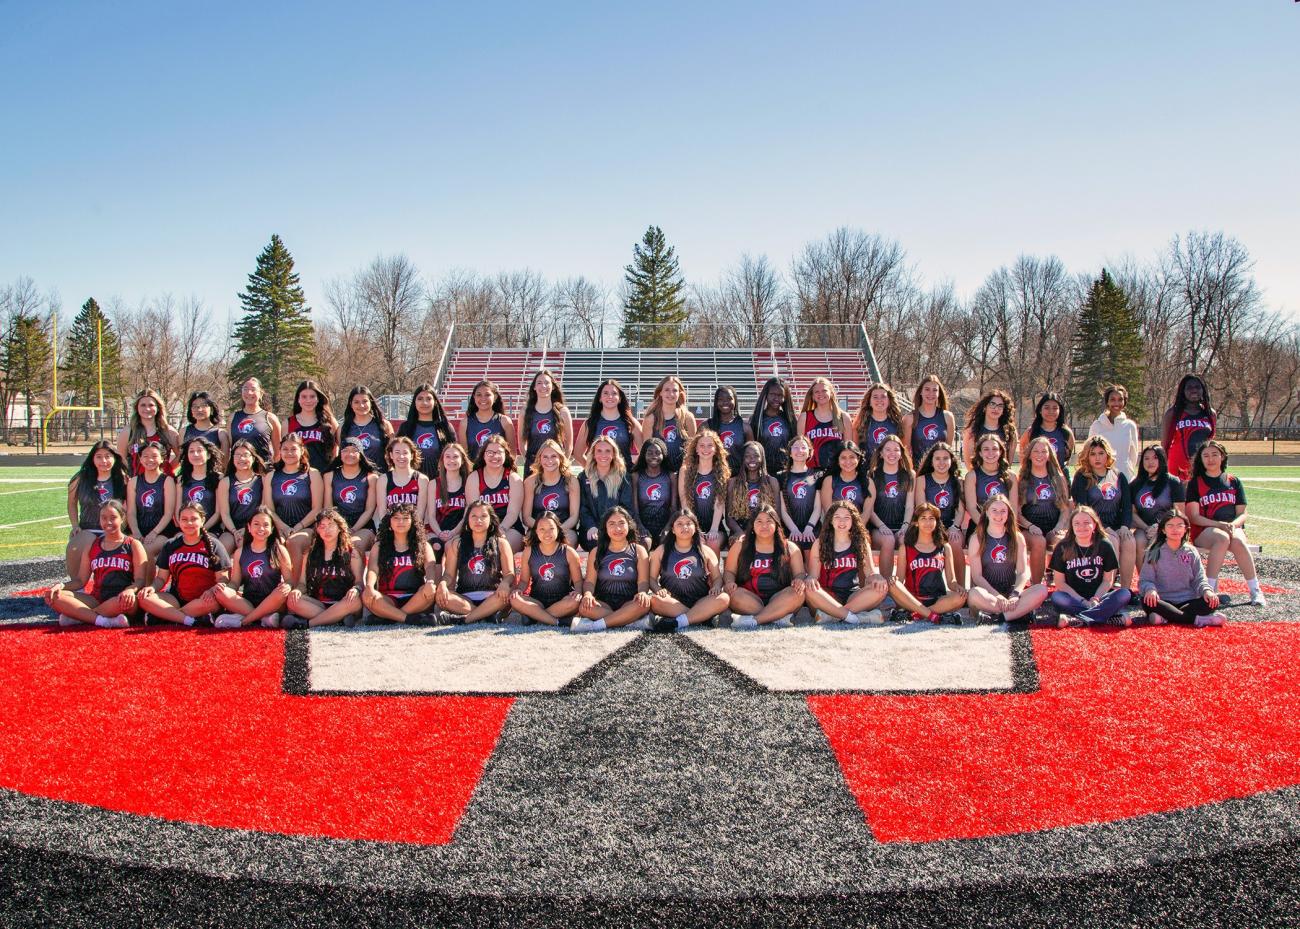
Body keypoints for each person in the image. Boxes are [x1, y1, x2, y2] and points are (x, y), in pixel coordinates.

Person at [1185, 440, 1265, 605]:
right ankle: (1209, 591)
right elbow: (1194, 516)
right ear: (1200, 459)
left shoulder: (1233, 481)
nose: (1210, 459)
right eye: (1206, 455)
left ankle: (1255, 590)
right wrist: (1219, 525)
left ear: (1222, 457)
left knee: (1236, 540)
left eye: (1215, 454)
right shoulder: (1195, 483)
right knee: (1222, 538)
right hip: (1205, 529)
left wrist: (1233, 525)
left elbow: (1242, 513)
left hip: (1231, 527)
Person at [45, 501, 146, 628]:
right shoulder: (92, 545)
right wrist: (60, 586)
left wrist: (130, 590)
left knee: (125, 602)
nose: (108, 522)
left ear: (122, 518)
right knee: (56, 596)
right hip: (96, 598)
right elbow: (80, 581)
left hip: (121, 598)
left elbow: (140, 580)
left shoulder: (132, 544)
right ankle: (103, 621)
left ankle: (81, 616)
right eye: (103, 518)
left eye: (113, 518)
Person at [137, 502, 232, 626]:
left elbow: (223, 579)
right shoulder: (170, 545)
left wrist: (211, 590)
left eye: (194, 519)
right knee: (144, 598)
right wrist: (152, 587)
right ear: (178, 521)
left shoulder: (214, 545)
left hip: (204, 600)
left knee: (215, 602)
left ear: (202, 520)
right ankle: (190, 620)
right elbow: (161, 578)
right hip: (176, 599)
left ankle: (168, 616)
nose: (189, 523)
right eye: (184, 519)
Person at [965, 494, 1049, 624]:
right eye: (994, 510)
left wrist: (1015, 595)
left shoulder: (1017, 537)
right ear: (986, 512)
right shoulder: (977, 538)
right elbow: (977, 577)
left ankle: (998, 618)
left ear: (1008, 514)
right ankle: (1020, 614)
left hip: (1011, 594)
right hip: (987, 595)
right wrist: (997, 596)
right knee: (974, 594)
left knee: (1041, 590)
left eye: (1003, 511)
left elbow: (1022, 572)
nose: (999, 515)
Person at [723, 504, 806, 628]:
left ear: (777, 524)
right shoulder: (740, 546)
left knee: (798, 594)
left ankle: (754, 620)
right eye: (759, 521)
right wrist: (729, 582)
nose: (764, 525)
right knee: (732, 594)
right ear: (752, 525)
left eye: (769, 521)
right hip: (749, 599)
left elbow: (799, 573)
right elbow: (729, 572)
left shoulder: (790, 547)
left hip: (780, 598)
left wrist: (799, 580)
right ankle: (777, 616)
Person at [805, 500, 889, 624]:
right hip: (827, 596)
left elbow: (870, 573)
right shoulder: (820, 543)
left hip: (853, 596)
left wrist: (877, 578)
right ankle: (858, 617)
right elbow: (814, 575)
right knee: (809, 588)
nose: (842, 522)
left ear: (853, 520)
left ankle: (836, 616)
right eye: (837, 517)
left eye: (847, 518)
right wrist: (810, 579)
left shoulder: (861, 542)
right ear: (830, 520)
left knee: (881, 588)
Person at [647, 509, 731, 631]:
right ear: (673, 529)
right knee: (654, 600)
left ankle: (679, 621)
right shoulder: (661, 550)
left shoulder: (705, 551)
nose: (684, 527)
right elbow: (651, 579)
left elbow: (717, 578)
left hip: (700, 600)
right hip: (671, 602)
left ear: (695, 527)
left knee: (724, 598)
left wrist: (716, 587)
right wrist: (658, 590)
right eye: (679, 524)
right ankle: (700, 617)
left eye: (688, 523)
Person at [1139, 511, 1226, 627]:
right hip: (1162, 600)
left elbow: (1199, 578)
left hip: (1188, 601)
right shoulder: (1154, 552)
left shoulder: (1191, 552)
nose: (1175, 529)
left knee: (1212, 601)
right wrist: (1150, 590)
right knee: (1147, 601)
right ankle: (1199, 620)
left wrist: (1207, 591)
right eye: (1170, 526)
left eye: (1180, 526)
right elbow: (1145, 580)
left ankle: (1167, 617)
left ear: (1185, 529)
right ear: (1163, 530)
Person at [1048, 506, 1133, 627]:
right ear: (1071, 526)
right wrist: (1082, 601)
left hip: (1099, 597)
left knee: (1125, 593)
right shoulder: (1063, 546)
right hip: (1073, 598)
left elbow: (1108, 580)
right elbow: (1060, 583)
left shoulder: (1105, 545)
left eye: (1086, 523)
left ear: (1094, 524)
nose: (1081, 527)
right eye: (1076, 523)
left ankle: (1078, 620)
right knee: (1057, 597)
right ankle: (1107, 618)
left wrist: (1095, 599)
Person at [434, 499, 515, 624]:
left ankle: (466, 619)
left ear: (491, 519)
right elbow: (449, 575)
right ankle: (486, 615)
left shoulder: (501, 543)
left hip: (493, 596)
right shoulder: (457, 544)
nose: (478, 520)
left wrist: (505, 583)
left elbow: (510, 574)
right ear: (467, 520)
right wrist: (443, 584)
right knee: (445, 598)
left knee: (507, 595)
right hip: (465, 599)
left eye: (483, 516)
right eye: (474, 516)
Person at [572, 507, 653, 632]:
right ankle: (629, 620)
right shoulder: (596, 552)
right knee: (584, 607)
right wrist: (587, 594)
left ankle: (596, 625)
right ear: (605, 527)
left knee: (643, 604)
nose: (618, 529)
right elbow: (589, 582)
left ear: (629, 525)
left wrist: (642, 592)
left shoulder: (639, 550)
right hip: (603, 604)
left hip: (630, 602)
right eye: (612, 524)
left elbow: (643, 582)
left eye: (622, 523)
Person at [1070, 435, 1136, 591]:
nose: (1097, 458)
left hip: (1116, 524)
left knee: (1129, 541)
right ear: (1087, 456)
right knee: (1111, 540)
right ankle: (1108, 589)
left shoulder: (1119, 476)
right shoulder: (1082, 477)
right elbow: (1082, 508)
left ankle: (1125, 590)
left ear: (1107, 455)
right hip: (1092, 527)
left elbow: (1126, 506)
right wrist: (1101, 527)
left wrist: (1125, 526)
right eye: (1092, 454)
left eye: (1101, 453)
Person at [212, 506, 293, 628]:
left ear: (271, 529)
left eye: (266, 525)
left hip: (272, 601)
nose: (261, 528)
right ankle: (262, 619)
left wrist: (287, 585)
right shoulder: (240, 552)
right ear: (249, 528)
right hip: (247, 602)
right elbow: (235, 582)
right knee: (220, 592)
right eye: (256, 524)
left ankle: (243, 621)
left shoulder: (279, 550)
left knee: (282, 592)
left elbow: (290, 580)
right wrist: (225, 588)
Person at [282, 509, 364, 629]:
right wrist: (297, 590)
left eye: (331, 525)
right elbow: (302, 583)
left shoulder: (351, 553)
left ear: (339, 528)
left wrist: (355, 589)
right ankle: (337, 619)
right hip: (319, 603)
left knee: (355, 601)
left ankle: (308, 624)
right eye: (322, 526)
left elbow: (359, 581)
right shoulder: (310, 554)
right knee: (292, 600)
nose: (327, 530)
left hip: (345, 602)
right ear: (317, 530)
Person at [888, 502, 967, 624]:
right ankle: (932, 615)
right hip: (912, 599)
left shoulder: (945, 547)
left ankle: (918, 614)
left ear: (936, 522)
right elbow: (900, 579)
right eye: (923, 518)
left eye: (931, 518)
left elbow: (951, 582)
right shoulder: (906, 547)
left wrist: (958, 588)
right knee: (892, 585)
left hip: (937, 600)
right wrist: (894, 580)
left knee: (960, 597)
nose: (928, 522)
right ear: (916, 522)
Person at [361, 503, 439, 624]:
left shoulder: (423, 545)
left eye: (405, 518)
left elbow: (430, 565)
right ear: (389, 522)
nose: (400, 522)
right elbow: (372, 569)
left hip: (415, 597)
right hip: (387, 597)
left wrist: (430, 581)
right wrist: (370, 586)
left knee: (430, 590)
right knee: (372, 598)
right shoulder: (379, 546)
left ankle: (389, 617)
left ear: (412, 521)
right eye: (396, 518)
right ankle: (408, 618)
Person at [65, 440, 128, 584]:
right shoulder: (81, 478)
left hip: (116, 529)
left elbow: (129, 508)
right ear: (92, 458)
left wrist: (125, 529)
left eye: (108, 456)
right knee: (74, 547)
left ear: (114, 458)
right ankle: (77, 586)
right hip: (89, 527)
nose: (104, 460)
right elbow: (71, 503)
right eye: (99, 456)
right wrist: (75, 525)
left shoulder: (123, 479)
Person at [509, 511, 583, 627]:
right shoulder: (529, 551)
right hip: (537, 601)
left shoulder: (569, 552)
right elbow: (524, 581)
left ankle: (534, 616)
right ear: (536, 531)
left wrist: (578, 592)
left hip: (562, 601)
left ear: (558, 530)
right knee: (514, 599)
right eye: (542, 529)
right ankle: (557, 621)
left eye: (551, 529)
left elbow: (578, 581)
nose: (547, 533)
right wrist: (519, 590)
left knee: (575, 601)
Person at [265, 433, 323, 577]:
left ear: (302, 450)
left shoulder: (312, 474)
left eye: (293, 449)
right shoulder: (271, 476)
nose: (289, 453)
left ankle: (295, 586)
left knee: (293, 542)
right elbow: (268, 509)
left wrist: (297, 527)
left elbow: (317, 509)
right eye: (285, 449)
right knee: (274, 543)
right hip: (280, 527)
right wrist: (283, 527)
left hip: (307, 527)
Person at [1017, 436, 1071, 584]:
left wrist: (1059, 527)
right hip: (1030, 528)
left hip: (1053, 526)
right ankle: (1036, 585)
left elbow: (1065, 508)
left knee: (1064, 542)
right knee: (1039, 542)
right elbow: (1017, 512)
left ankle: (1065, 584)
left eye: (1043, 451)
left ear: (1049, 455)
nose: (1039, 455)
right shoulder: (1022, 479)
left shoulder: (1058, 478)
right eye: (1035, 451)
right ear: (1029, 455)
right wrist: (1030, 526)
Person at [914, 442, 966, 582]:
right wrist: (934, 528)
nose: (941, 462)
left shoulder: (958, 481)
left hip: (951, 525)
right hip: (928, 524)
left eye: (945, 458)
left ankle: (960, 588)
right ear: (931, 461)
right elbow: (921, 510)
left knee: (955, 542)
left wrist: (955, 527)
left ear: (951, 460)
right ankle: (923, 585)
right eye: (937, 458)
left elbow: (960, 511)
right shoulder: (922, 480)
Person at [864, 435, 914, 578]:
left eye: (896, 450)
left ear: (901, 453)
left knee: (906, 540)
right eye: (888, 449)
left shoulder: (909, 475)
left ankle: (902, 586)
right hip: (879, 527)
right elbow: (870, 509)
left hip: (901, 525)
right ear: (881, 453)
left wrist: (905, 526)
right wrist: (881, 526)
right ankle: (885, 584)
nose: (892, 453)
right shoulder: (872, 475)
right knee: (889, 540)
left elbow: (910, 506)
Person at [466, 434, 524, 550]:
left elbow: (512, 513)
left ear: (506, 455)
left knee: (499, 546)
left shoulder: (513, 479)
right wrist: (485, 532)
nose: (495, 456)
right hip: (481, 525)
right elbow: (474, 511)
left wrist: (500, 530)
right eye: (490, 452)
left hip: (508, 527)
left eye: (499, 452)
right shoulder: (474, 477)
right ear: (483, 455)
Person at [578, 434, 636, 549]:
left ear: (614, 454)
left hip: (617, 527)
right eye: (599, 451)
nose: (603, 455)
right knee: (594, 542)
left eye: (607, 451)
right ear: (593, 454)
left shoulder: (623, 478)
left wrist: (614, 527)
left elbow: (627, 507)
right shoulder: (583, 478)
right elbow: (583, 508)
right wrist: (591, 526)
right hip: (592, 528)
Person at [677, 428, 730, 554]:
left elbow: (720, 503)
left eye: (710, 445)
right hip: (691, 523)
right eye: (702, 445)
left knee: (712, 542)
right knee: (697, 542)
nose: (705, 449)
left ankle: (714, 574)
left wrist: (714, 529)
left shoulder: (721, 472)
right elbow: (685, 502)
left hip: (715, 525)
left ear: (716, 449)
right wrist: (694, 528)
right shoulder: (685, 471)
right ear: (696, 449)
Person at [127, 442, 176, 575]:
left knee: (145, 550)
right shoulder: (134, 481)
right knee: (124, 547)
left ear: (162, 459)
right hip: (139, 528)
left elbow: (168, 513)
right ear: (140, 458)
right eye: (146, 456)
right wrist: (136, 531)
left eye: (154, 456)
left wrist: (154, 533)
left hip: (161, 531)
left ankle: (147, 587)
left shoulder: (167, 481)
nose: (150, 460)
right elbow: (131, 512)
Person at [521, 438, 581, 546]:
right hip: (537, 530)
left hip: (564, 529)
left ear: (561, 458)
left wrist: (557, 530)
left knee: (569, 540)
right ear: (539, 459)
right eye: (545, 457)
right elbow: (526, 517)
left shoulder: (571, 481)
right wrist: (544, 530)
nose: (549, 461)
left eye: (554, 456)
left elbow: (574, 516)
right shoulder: (530, 482)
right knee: (531, 541)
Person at [324, 437, 378, 553]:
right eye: (345, 450)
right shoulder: (329, 476)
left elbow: (369, 510)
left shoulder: (371, 478)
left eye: (354, 450)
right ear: (340, 454)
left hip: (363, 527)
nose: (350, 454)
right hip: (336, 525)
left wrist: (352, 530)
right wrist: (340, 528)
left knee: (352, 546)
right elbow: (329, 509)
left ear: (361, 454)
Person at [1129, 444, 1185, 552]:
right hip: (1144, 527)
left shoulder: (1173, 482)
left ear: (1162, 459)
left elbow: (1179, 513)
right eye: (1146, 458)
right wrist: (1147, 528)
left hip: (1168, 528)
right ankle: (1144, 570)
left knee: (1160, 541)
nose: (1150, 462)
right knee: (1139, 540)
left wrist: (1162, 528)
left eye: (1155, 458)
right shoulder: (1135, 485)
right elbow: (1132, 513)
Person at [724, 441, 782, 544]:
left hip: (764, 528)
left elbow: (777, 514)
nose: (752, 459)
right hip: (740, 529)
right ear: (743, 459)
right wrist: (740, 533)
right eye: (747, 456)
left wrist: (761, 531)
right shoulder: (733, 483)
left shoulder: (772, 482)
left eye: (756, 455)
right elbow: (729, 518)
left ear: (762, 458)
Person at [216, 439, 267, 555]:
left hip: (255, 527)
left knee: (246, 546)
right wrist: (234, 532)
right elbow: (224, 513)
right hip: (232, 528)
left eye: (245, 455)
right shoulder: (225, 482)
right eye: (237, 455)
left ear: (253, 458)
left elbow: (263, 510)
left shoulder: (262, 480)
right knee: (222, 548)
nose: (241, 459)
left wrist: (248, 529)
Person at [516, 369, 573, 472]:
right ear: (534, 387)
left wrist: (562, 464)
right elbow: (521, 443)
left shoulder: (562, 411)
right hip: (533, 468)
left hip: (555, 468)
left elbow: (569, 445)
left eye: (547, 382)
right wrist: (532, 463)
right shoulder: (525, 412)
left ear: (553, 386)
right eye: (539, 383)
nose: (543, 386)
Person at [575, 379, 638, 470]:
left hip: (624, 479)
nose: (610, 396)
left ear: (620, 398)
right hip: (599, 480)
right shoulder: (590, 423)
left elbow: (644, 451)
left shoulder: (630, 423)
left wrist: (631, 471)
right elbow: (578, 454)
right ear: (600, 398)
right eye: (605, 393)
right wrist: (593, 471)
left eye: (614, 393)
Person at [963, 434, 1018, 539]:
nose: (990, 453)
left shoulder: (1010, 476)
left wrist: (1005, 527)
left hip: (1004, 525)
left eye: (994, 449)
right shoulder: (972, 476)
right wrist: (987, 527)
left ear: (1001, 452)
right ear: (980, 453)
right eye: (986, 449)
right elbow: (971, 508)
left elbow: (1013, 509)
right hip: (979, 524)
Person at [397, 382, 456, 481]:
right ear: (414, 402)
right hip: (411, 482)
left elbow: (454, 455)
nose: (424, 403)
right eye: (420, 399)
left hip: (440, 483)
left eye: (428, 399)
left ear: (435, 402)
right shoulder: (405, 428)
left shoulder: (445, 427)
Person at [1162, 374, 1216, 481]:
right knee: (1180, 498)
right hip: (1177, 467)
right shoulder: (1173, 413)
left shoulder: (1210, 414)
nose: (1194, 390)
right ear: (1183, 391)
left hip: (1202, 466)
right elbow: (1165, 444)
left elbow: (1211, 443)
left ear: (1203, 390)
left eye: (1197, 387)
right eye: (1189, 387)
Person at [116, 388, 179, 475]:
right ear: (137, 408)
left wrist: (166, 469)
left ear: (158, 407)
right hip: (138, 484)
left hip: (164, 484)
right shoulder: (128, 431)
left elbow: (181, 456)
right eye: (143, 405)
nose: (147, 409)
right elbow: (120, 459)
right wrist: (130, 475)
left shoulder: (168, 431)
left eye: (151, 405)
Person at [642, 375, 697, 473]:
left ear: (680, 394)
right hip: (659, 473)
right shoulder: (651, 418)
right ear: (660, 393)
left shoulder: (688, 417)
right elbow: (647, 451)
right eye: (667, 390)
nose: (671, 393)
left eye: (675, 390)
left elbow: (692, 450)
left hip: (682, 472)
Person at [285, 379, 339, 474]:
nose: (308, 400)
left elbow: (337, 450)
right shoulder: (288, 423)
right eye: (304, 397)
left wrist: (331, 472)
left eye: (312, 396)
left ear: (318, 399)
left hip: (324, 475)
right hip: (299, 477)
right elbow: (284, 452)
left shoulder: (330, 421)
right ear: (298, 399)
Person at [458, 379, 516, 467]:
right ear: (474, 397)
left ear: (495, 397)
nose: (483, 398)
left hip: (499, 474)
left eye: (487, 394)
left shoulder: (505, 421)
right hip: (475, 475)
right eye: (479, 395)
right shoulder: (465, 423)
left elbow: (512, 455)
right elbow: (464, 457)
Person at [631, 437, 676, 549]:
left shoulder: (671, 476)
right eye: (649, 453)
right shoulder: (636, 476)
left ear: (663, 454)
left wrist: (668, 527)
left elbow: (674, 508)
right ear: (644, 455)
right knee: (645, 542)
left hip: (665, 524)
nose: (654, 456)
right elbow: (635, 509)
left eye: (657, 453)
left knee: (665, 542)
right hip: (643, 525)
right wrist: (640, 526)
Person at [778, 435, 822, 551]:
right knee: (792, 557)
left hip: (812, 527)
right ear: (790, 453)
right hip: (789, 527)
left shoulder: (816, 475)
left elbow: (818, 507)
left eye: (803, 447)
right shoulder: (781, 476)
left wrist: (809, 527)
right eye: (795, 447)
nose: (799, 451)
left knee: (810, 551)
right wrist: (793, 529)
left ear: (809, 452)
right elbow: (783, 510)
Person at [374, 436, 429, 528]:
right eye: (397, 453)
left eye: (405, 453)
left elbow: (420, 514)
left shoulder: (422, 480)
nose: (401, 456)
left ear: (412, 455)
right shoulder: (383, 480)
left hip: (414, 529)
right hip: (390, 529)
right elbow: (382, 513)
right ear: (391, 455)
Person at [1089, 384, 1141, 481]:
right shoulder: (1097, 426)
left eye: (1120, 399)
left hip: (1126, 479)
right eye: (1112, 399)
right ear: (1107, 402)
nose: (1116, 403)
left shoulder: (1130, 426)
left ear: (1124, 401)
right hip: (1102, 480)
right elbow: (1089, 453)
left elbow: (1133, 456)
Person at [428, 442, 470, 561]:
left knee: (453, 546)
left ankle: (451, 579)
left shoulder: (468, 482)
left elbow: (467, 514)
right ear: (442, 460)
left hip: (459, 531)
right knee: (436, 546)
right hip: (438, 530)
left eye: (455, 456)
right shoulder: (433, 484)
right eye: (448, 456)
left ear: (462, 460)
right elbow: (431, 516)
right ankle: (434, 580)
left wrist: (453, 532)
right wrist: (440, 533)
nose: (451, 460)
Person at [1020, 392, 1075, 480]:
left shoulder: (1066, 432)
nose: (1051, 412)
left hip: (1060, 478)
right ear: (1040, 410)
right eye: (1047, 408)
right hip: (1035, 479)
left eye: (1055, 408)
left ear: (1060, 410)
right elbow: (1023, 452)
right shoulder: (1031, 432)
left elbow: (1067, 456)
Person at [902, 374, 956, 463]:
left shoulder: (948, 417)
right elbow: (906, 452)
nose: (931, 393)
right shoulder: (909, 418)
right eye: (927, 389)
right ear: (920, 392)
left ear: (939, 394)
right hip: (918, 472)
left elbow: (949, 450)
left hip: (941, 470)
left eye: (935, 390)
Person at [340, 385, 394, 474]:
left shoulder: (384, 425)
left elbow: (392, 455)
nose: (361, 405)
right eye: (356, 402)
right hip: (354, 480)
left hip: (379, 478)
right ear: (351, 404)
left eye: (365, 401)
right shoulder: (343, 428)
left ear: (371, 402)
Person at [228, 377, 281, 466]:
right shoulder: (233, 417)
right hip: (239, 472)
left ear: (261, 393)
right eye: (245, 389)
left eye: (253, 389)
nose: (249, 392)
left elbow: (278, 453)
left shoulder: (270, 418)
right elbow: (229, 449)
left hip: (263, 473)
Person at [750, 377, 797, 475]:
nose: (776, 398)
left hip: (785, 470)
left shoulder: (790, 419)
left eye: (780, 395)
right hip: (764, 471)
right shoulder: (756, 419)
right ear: (766, 395)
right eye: (772, 394)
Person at [174, 437, 222, 534]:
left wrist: (201, 530)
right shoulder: (181, 479)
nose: (195, 454)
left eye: (199, 451)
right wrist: (187, 528)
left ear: (208, 455)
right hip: (186, 529)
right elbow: (178, 510)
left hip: (210, 529)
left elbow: (218, 513)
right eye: (191, 451)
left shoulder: (219, 478)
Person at [799, 376, 847, 470]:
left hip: (837, 472)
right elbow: (800, 449)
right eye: (816, 392)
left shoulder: (843, 417)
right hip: (812, 473)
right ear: (812, 396)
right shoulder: (804, 417)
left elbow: (849, 450)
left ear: (831, 393)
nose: (820, 394)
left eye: (824, 390)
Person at [962, 390, 1017, 468]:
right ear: (985, 407)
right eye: (992, 404)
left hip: (1001, 476)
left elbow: (1009, 463)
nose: (996, 409)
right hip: (978, 477)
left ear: (1004, 410)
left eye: (1000, 406)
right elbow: (969, 461)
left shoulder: (1010, 431)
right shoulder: (972, 430)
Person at [853, 382, 903, 464]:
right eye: (875, 397)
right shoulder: (860, 423)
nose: (879, 400)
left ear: (889, 400)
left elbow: (902, 451)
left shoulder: (897, 423)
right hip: (867, 471)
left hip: (891, 470)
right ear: (869, 401)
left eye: (883, 397)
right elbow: (854, 451)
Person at [706, 385, 751, 474]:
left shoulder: (745, 427)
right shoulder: (706, 426)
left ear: (735, 401)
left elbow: (751, 454)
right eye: (721, 399)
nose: (725, 402)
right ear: (716, 402)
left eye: (729, 398)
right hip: (714, 477)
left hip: (738, 477)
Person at [819, 440, 868, 515]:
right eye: (843, 458)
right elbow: (828, 513)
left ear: (858, 458)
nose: (848, 462)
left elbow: (867, 513)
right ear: (838, 461)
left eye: (852, 457)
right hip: (835, 525)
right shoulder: (829, 480)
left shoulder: (867, 481)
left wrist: (857, 526)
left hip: (861, 525)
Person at [181, 390, 228, 464]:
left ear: (211, 409)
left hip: (213, 474)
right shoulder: (184, 431)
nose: (199, 409)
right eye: (195, 406)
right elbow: (181, 458)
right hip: (188, 474)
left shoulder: (221, 434)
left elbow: (224, 463)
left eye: (204, 405)